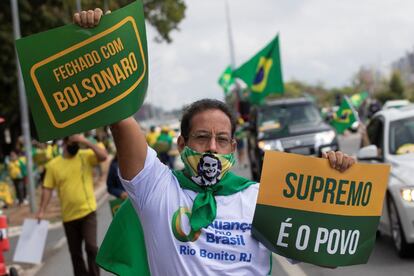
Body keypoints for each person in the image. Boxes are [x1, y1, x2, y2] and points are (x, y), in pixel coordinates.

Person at [75, 10, 356, 275]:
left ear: (233, 148)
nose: (212, 147)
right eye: (201, 137)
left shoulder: (261, 198)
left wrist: (336, 185)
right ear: (182, 142)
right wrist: (98, 42)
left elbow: (328, 257)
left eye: (222, 139)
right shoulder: (157, 188)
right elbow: (120, 116)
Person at [36, 134, 108, 276]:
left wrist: (85, 141)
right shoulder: (53, 165)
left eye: (78, 142)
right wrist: (41, 210)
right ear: (65, 142)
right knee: (75, 254)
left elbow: (103, 156)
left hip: (88, 211)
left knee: (92, 247)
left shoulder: (85, 155)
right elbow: (47, 189)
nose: (76, 145)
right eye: (73, 142)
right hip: (68, 216)